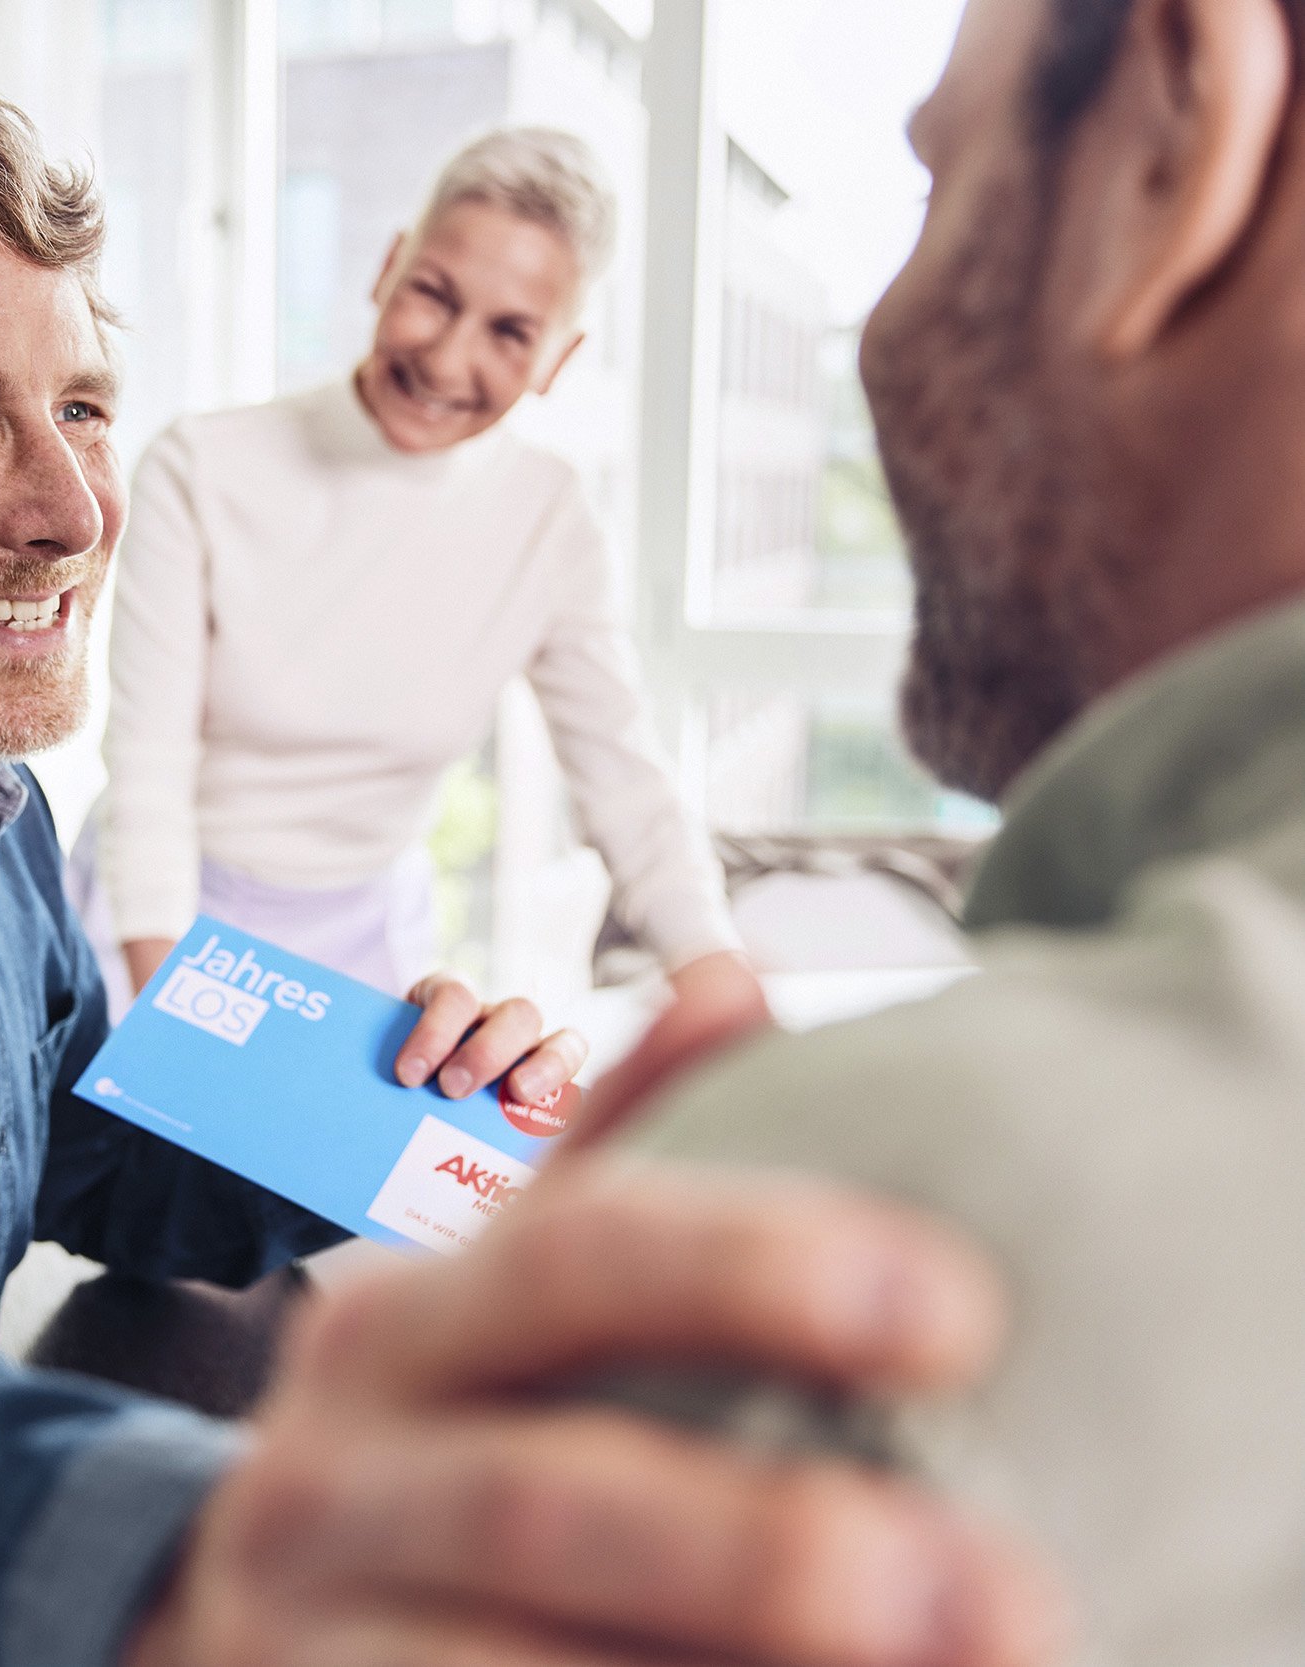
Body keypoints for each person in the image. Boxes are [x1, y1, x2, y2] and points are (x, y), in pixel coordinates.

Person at [0, 75, 1056, 1667]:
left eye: (80, 404)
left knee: (309, 1360)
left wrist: (426, 1112)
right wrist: (227, 1554)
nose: (79, 506)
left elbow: (102, 1131)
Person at [461, 0, 1305, 1658]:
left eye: (938, 180)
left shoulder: (844, 1265)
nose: (883, 325)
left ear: (1177, 135)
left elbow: (621, 764)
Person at [82, 126, 750, 1032]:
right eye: (433, 296)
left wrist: (727, 998)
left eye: (511, 332)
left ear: (559, 356)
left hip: (367, 942)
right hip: (149, 920)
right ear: (390, 268)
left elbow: (627, 786)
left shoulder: (548, 520)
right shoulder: (201, 465)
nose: (445, 360)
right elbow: (149, 771)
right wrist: (169, 1008)